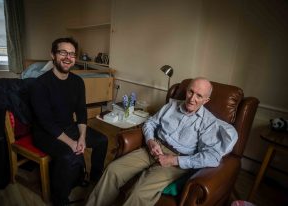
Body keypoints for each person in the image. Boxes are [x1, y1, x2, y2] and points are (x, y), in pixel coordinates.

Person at [86, 77, 238, 206]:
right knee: (113, 170)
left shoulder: (209, 123)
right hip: (152, 148)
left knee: (139, 192)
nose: (192, 99)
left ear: (206, 100)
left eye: (199, 96)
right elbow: (150, 123)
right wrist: (150, 140)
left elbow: (212, 157)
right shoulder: (172, 106)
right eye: (191, 91)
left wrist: (174, 160)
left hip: (175, 162)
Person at [30, 37, 108, 205]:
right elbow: (46, 122)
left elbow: (81, 112)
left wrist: (81, 137)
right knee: (67, 155)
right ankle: (60, 199)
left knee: (102, 140)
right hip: (45, 133)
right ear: (52, 55)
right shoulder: (40, 85)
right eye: (62, 52)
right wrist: (72, 143)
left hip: (68, 126)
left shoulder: (78, 82)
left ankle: (95, 178)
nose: (68, 57)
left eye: (72, 54)